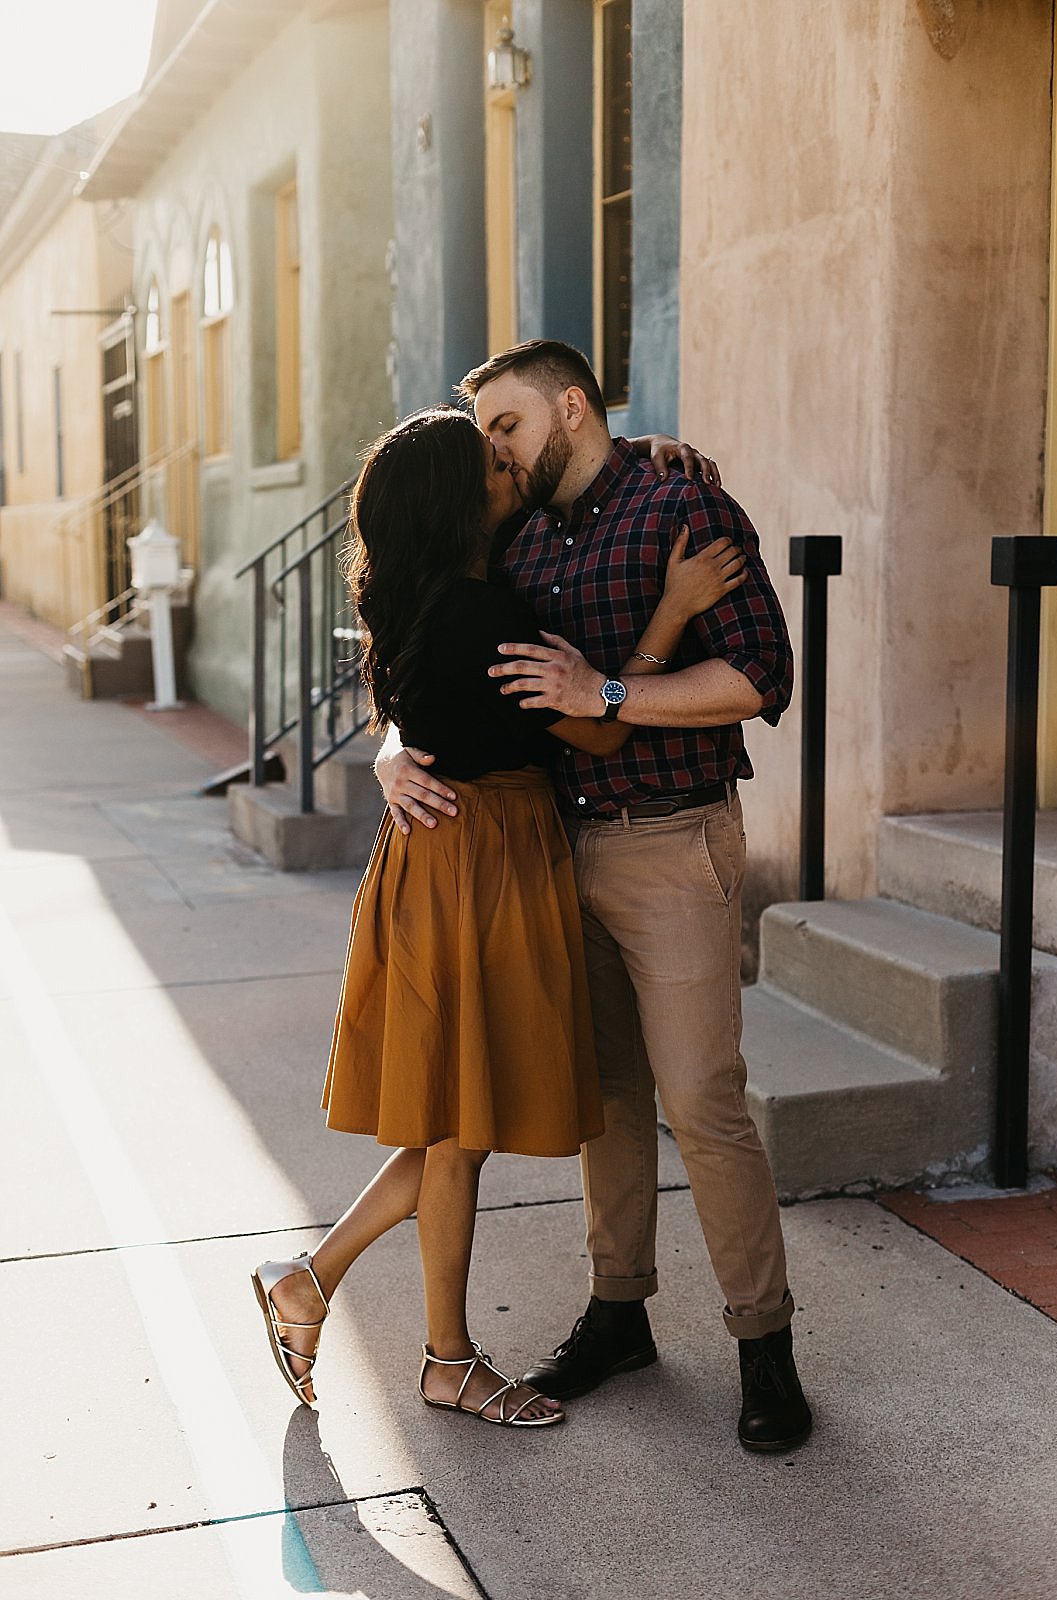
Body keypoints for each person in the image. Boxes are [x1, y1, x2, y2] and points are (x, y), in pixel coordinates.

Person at [251, 405, 747, 1429]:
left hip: (445, 859)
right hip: (482, 861)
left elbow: (567, 462)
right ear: (456, 500)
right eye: (488, 459)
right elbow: (599, 736)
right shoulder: (482, 616)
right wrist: (671, 609)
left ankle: (364, 1312)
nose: (507, 463)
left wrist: (644, 443)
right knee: (458, 1127)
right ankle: (416, 1341)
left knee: (453, 1125)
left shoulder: (430, 600)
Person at [377, 341, 812, 1453]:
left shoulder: (681, 505)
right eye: (486, 440)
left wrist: (610, 686)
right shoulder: (510, 534)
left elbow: (762, 677)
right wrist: (393, 747)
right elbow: (439, 644)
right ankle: (617, 1313)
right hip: (553, 850)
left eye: (508, 427)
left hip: (672, 842)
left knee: (701, 1103)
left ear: (571, 409)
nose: (498, 452)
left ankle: (762, 1344)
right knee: (606, 1103)